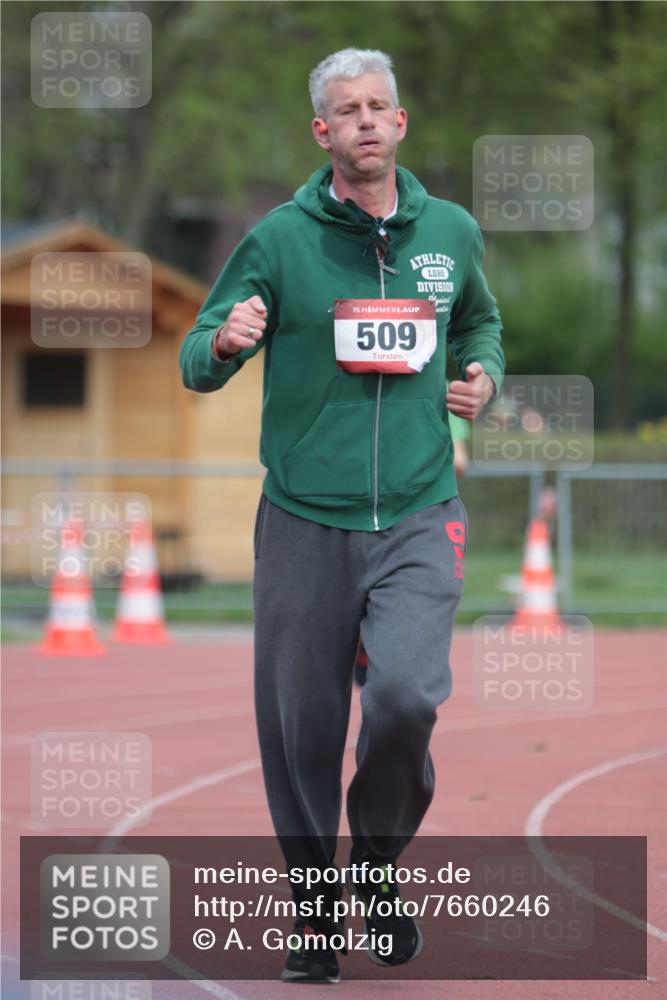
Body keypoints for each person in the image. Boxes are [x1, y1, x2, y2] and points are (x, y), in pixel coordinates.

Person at [180, 47, 504, 984]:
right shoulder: (279, 240)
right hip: (303, 516)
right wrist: (225, 341)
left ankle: (374, 865)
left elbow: (478, 322)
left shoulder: (451, 231)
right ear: (322, 131)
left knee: (405, 698)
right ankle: (314, 912)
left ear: (400, 122)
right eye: (347, 110)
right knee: (303, 732)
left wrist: (482, 374)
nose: (365, 120)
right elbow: (196, 355)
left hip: (417, 508)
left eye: (378, 106)